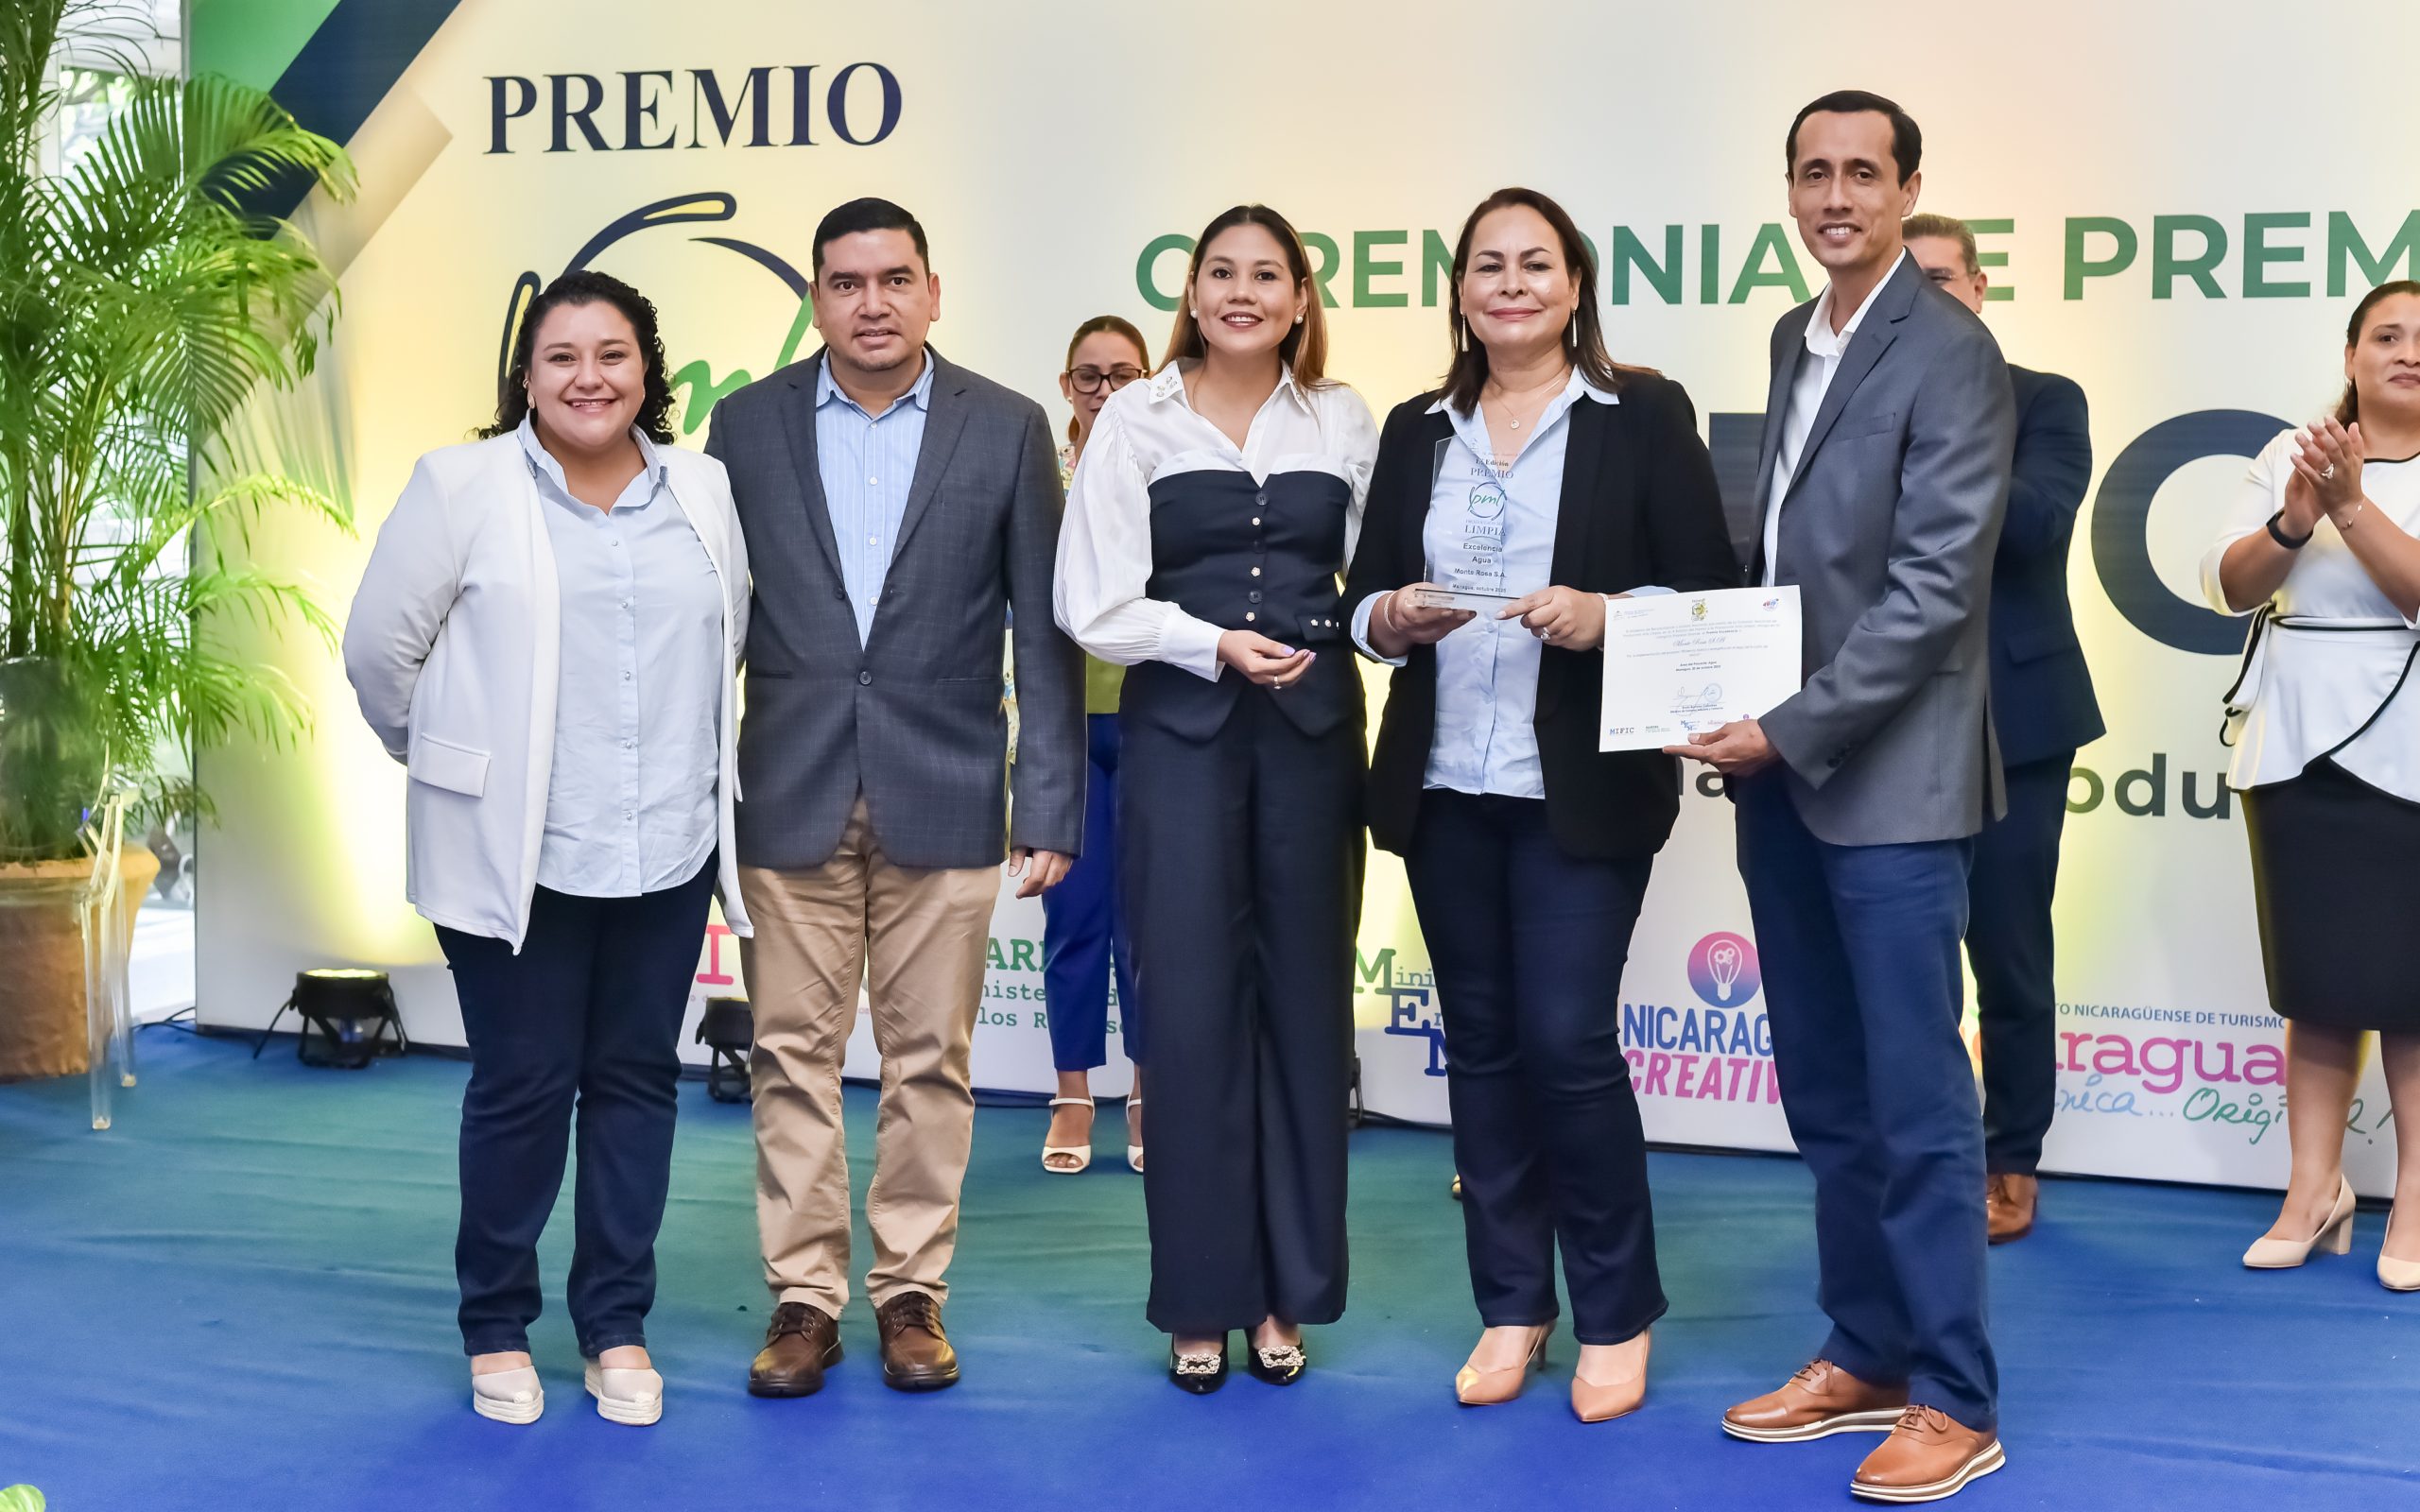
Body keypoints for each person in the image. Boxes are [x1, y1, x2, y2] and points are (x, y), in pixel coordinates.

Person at [1344, 188, 1739, 1421]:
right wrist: (1389, 618)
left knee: (1567, 1044)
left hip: (1580, 789)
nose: (1510, 284)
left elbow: (1708, 591)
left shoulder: (1643, 415)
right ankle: (1513, 1304)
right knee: (1483, 1048)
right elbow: (1361, 598)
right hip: (1445, 786)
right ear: (1459, 293)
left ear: (1575, 287)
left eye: (1534, 264)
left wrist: (1606, 616)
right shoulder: (1417, 427)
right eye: (1487, 266)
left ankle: (1615, 1314)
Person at [1671, 93, 2014, 1503]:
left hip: (1892, 786)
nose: (1834, 197)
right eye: (1812, 173)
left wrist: (1786, 724)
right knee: (1824, 1088)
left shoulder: (1952, 351)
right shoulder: (1791, 336)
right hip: (1784, 781)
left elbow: (1934, 592)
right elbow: (1787, 566)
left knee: (1918, 1101)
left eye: (1862, 173)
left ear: (1907, 188)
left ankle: (1955, 1396)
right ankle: (1865, 1348)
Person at [343, 271, 752, 1428]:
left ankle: (616, 1322)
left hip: (666, 845)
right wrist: (455, 761)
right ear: (525, 376)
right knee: (523, 1086)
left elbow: (728, 639)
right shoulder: (461, 485)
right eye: (561, 356)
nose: (588, 377)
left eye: (612, 354)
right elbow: (380, 655)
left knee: (636, 1083)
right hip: (511, 855)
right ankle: (496, 1324)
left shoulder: (704, 489)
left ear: (647, 370)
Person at [702, 198, 1083, 1398]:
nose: (871, 303)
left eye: (894, 279)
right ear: (816, 298)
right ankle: (804, 1298)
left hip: (950, 787)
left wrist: (1048, 802)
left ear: (932, 291)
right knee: (789, 1059)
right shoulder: (745, 426)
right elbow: (709, 620)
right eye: (846, 282)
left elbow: (1045, 636)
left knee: (931, 1063)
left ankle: (912, 1291)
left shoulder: (1007, 427)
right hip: (788, 786)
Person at [1055, 204, 1378, 1393]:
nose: (1242, 292)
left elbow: (1377, 580)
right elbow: (1091, 601)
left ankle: (1288, 1291)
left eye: (1267, 275)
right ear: (1190, 294)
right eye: (1220, 273)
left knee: (1304, 1011)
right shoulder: (1134, 417)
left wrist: (1375, 622)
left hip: (1313, 741)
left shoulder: (1342, 417)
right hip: (1179, 741)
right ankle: (1200, 1298)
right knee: (1187, 1016)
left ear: (1300, 299)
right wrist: (1210, 643)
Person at [2202, 279, 2420, 1291]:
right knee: (2318, 983)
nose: (2407, 351)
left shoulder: (2349, 479)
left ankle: (2414, 1198)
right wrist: (2293, 522)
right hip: (2291, 745)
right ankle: (2312, 1189)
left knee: (2412, 991)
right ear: (2349, 355)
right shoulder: (2290, 451)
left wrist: (2349, 507)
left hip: (2408, 751)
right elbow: (2228, 585)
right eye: (2387, 335)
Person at [1903, 214, 2104, 1244]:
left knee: (2011, 953)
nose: (1927, 297)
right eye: (1907, 282)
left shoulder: (2043, 398)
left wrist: (1940, 427)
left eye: (1942, 278)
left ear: (1979, 288)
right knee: (1900, 955)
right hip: (1889, 716)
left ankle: (2011, 1156)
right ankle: (1920, 1155)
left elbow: (2035, 525)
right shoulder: (1854, 401)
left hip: (2016, 719)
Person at [1040, 316, 1152, 1176]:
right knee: (1074, 921)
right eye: (1089, 377)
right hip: (1065, 728)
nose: (1106, 391)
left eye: (1123, 375)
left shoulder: (1177, 465)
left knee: (1151, 928)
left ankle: (1151, 1091)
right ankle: (1072, 1095)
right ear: (1067, 388)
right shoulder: (1040, 478)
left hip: (1158, 724)